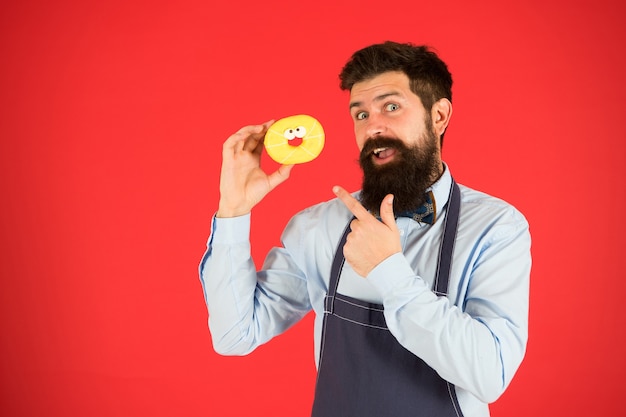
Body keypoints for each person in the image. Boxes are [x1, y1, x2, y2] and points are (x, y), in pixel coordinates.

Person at [199, 41, 531, 417]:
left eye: (391, 107)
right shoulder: (317, 227)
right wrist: (233, 210)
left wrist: (389, 272)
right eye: (360, 115)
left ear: (439, 116)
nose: (373, 126)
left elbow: (490, 374)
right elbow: (234, 336)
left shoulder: (496, 228)